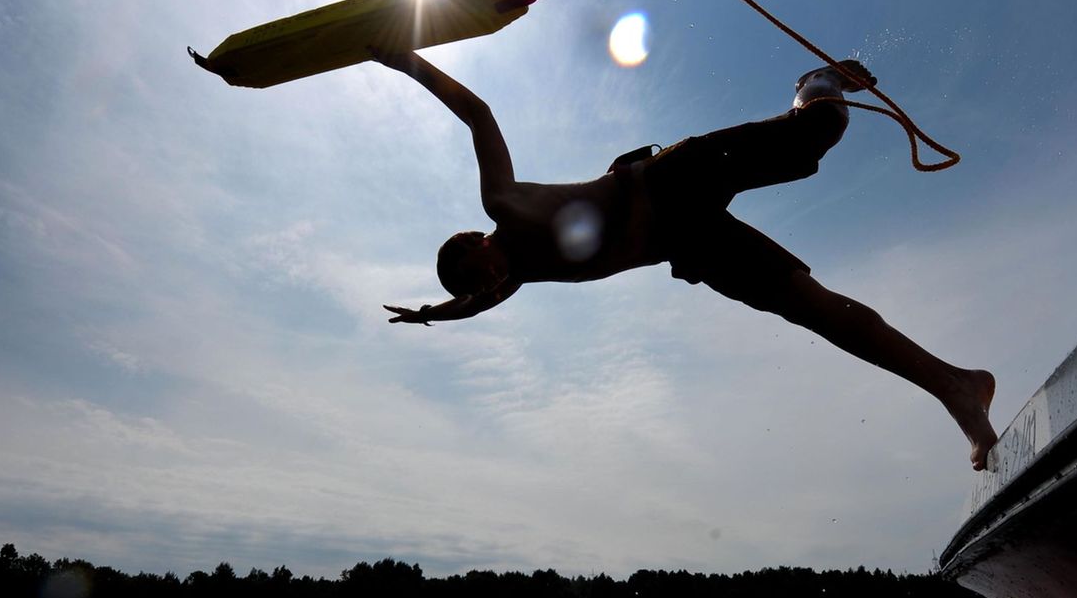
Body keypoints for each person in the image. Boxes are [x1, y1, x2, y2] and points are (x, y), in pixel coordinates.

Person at [372, 49, 998, 470]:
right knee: (817, 310)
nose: (491, 286)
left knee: (816, 132)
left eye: (482, 275)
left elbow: (477, 113)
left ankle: (818, 82)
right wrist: (431, 314)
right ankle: (958, 388)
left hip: (674, 178)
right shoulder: (521, 277)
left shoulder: (503, 204)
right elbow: (471, 307)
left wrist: (402, 59)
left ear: (477, 244)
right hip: (690, 245)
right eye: (483, 289)